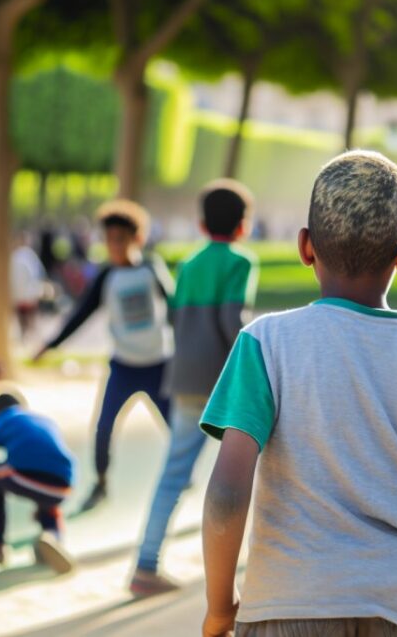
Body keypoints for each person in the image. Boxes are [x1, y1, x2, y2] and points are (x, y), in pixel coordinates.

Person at [199, 151, 397, 637]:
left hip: (286, 601)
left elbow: (225, 492)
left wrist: (221, 605)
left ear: (306, 246)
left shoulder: (265, 344)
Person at [130, 180, 258, 597]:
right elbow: (231, 323)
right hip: (226, 386)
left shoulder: (188, 263)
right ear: (243, 226)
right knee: (263, 468)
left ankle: (145, 564)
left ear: (202, 224)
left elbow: (175, 321)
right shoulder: (240, 262)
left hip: (183, 380)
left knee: (173, 474)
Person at [33, 200, 174, 513]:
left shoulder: (152, 268)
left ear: (136, 239)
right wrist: (52, 344)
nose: (113, 246)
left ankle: (182, 476)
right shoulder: (106, 276)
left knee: (176, 427)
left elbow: (176, 310)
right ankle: (101, 484)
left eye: (120, 239)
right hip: (123, 367)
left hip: (158, 366)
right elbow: (80, 314)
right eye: (108, 239)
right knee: (104, 427)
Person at [0, 392, 75, 574]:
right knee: (48, 502)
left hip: (27, 479)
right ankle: (51, 537)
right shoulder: (46, 420)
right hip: (64, 486)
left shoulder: (3, 420)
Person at [10, 233, 47, 338]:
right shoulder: (27, 255)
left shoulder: (17, 255)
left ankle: (26, 333)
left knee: (23, 314)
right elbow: (38, 272)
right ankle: (29, 333)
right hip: (27, 290)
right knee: (28, 314)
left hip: (20, 291)